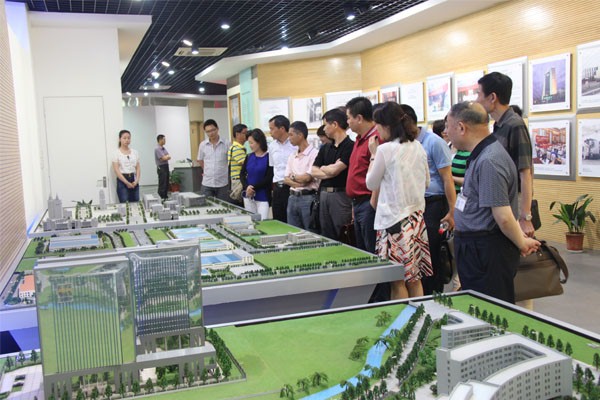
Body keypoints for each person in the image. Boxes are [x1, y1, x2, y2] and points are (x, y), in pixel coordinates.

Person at [446, 101, 540, 303]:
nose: (446, 132)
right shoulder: (482, 154)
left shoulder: (489, 160)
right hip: (477, 249)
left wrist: (521, 242)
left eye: (448, 126)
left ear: (461, 127)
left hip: (486, 252)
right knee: (477, 305)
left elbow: (503, 216)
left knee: (490, 308)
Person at [366, 102, 432, 299]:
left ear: (386, 126)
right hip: (416, 219)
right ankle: (419, 314)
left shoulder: (385, 150)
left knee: (397, 279)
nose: (376, 130)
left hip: (394, 221)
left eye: (377, 125)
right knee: (415, 277)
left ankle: (401, 317)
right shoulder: (417, 146)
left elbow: (370, 183)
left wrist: (373, 156)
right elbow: (427, 182)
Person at [401, 104, 456, 295]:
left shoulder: (434, 142)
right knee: (417, 253)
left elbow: (447, 179)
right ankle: (421, 293)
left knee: (432, 251)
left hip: (434, 204)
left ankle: (434, 294)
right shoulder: (403, 144)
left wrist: (452, 211)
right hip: (413, 206)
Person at [476, 72, 535, 238]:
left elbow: (526, 173)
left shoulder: (515, 125)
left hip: (513, 202)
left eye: (479, 94)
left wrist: (525, 216)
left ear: (492, 97)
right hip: (502, 200)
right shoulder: (498, 125)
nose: (477, 100)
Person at [310, 108, 354, 240]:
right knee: (326, 234)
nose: (324, 129)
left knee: (342, 234)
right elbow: (313, 171)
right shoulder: (325, 147)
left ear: (335, 124)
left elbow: (336, 170)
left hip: (340, 195)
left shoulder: (350, 146)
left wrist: (325, 168)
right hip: (323, 194)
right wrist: (328, 169)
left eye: (325, 125)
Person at [345, 97, 380, 254]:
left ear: (359, 118)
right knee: (362, 250)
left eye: (349, 118)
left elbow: (380, 174)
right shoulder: (359, 139)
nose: (347, 122)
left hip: (369, 202)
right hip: (358, 203)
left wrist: (372, 204)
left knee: (372, 250)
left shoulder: (376, 139)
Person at [284, 121, 319, 229]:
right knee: (293, 231)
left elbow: (307, 178)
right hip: (292, 197)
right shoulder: (292, 155)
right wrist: (298, 182)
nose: (289, 138)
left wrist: (293, 177)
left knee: (310, 231)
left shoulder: (314, 153)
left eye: (291, 135)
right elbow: (286, 179)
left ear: (300, 135)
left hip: (308, 198)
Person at [269, 115, 297, 222]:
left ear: (282, 129)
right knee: (277, 220)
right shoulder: (272, 146)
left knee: (291, 220)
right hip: (277, 187)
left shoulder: (295, 144)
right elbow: (272, 167)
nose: (270, 132)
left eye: (272, 129)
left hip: (291, 186)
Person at [240, 129, 273, 220]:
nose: (250, 145)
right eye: (249, 143)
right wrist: (247, 187)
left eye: (252, 143)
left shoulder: (268, 157)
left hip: (263, 196)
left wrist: (253, 188)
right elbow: (242, 174)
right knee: (250, 221)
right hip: (248, 195)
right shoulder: (249, 156)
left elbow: (269, 177)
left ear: (259, 142)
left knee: (262, 221)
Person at [197, 119, 229, 201]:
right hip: (207, 183)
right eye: (208, 131)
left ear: (217, 129)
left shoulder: (226, 143)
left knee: (223, 206)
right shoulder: (203, 145)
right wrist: (206, 170)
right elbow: (200, 160)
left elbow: (230, 160)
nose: (211, 133)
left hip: (222, 183)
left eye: (213, 130)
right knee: (206, 206)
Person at [112, 129, 141, 203]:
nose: (127, 140)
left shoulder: (135, 152)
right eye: (124, 138)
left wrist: (136, 181)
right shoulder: (116, 153)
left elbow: (138, 167)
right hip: (122, 180)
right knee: (125, 203)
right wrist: (127, 183)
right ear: (120, 139)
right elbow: (116, 170)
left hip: (134, 179)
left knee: (136, 202)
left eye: (128, 138)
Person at [228, 123, 248, 205]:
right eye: (245, 133)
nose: (247, 135)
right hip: (239, 181)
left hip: (237, 180)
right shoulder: (237, 149)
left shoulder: (236, 147)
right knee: (241, 205)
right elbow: (246, 165)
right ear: (237, 134)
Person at [155, 134, 171, 200]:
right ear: (160, 140)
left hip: (166, 166)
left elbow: (169, 156)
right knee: (162, 182)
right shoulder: (157, 149)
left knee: (166, 182)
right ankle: (161, 197)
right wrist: (166, 157)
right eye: (164, 139)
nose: (165, 141)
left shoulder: (163, 148)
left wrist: (166, 157)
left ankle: (165, 196)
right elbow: (163, 158)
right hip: (161, 167)